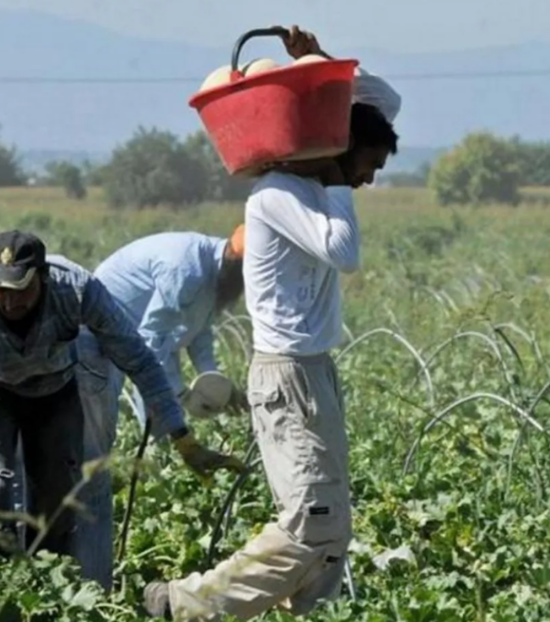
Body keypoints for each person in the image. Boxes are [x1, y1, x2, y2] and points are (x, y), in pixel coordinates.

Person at [143, 26, 401, 620]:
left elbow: (385, 102)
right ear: (340, 151)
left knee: (332, 531)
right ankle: (184, 605)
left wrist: (319, 66)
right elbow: (345, 251)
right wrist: (337, 180)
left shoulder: (311, 187)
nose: (370, 178)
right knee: (313, 522)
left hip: (314, 371)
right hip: (286, 376)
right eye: (368, 164)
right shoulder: (277, 194)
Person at [0, 230, 245, 565]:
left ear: (43, 278)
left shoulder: (75, 289)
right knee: (4, 490)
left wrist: (182, 437)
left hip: (57, 387)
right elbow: (158, 339)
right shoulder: (185, 270)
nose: (11, 303)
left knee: (63, 498)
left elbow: (142, 359)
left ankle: (65, 593)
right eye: (2, 292)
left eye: (22, 290)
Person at [72, 226, 249, 590]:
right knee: (93, 459)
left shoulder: (214, 277)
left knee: (151, 428)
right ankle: (89, 578)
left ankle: (95, 564)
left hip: (129, 343)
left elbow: (199, 335)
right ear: (238, 263)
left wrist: (213, 382)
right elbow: (151, 345)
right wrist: (179, 397)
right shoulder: (184, 268)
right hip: (95, 340)